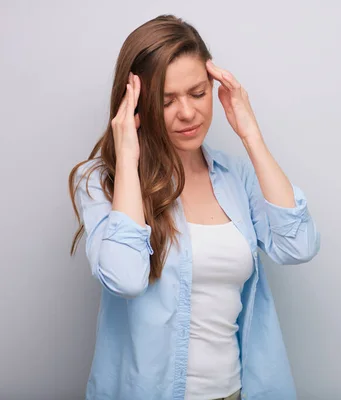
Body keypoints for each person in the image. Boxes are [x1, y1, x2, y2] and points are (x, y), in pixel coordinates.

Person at [68, 14, 320, 400]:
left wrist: (250, 133)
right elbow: (125, 277)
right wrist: (129, 158)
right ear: (134, 105)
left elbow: (298, 246)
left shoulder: (236, 176)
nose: (187, 113)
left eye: (198, 93)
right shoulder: (102, 181)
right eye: (166, 101)